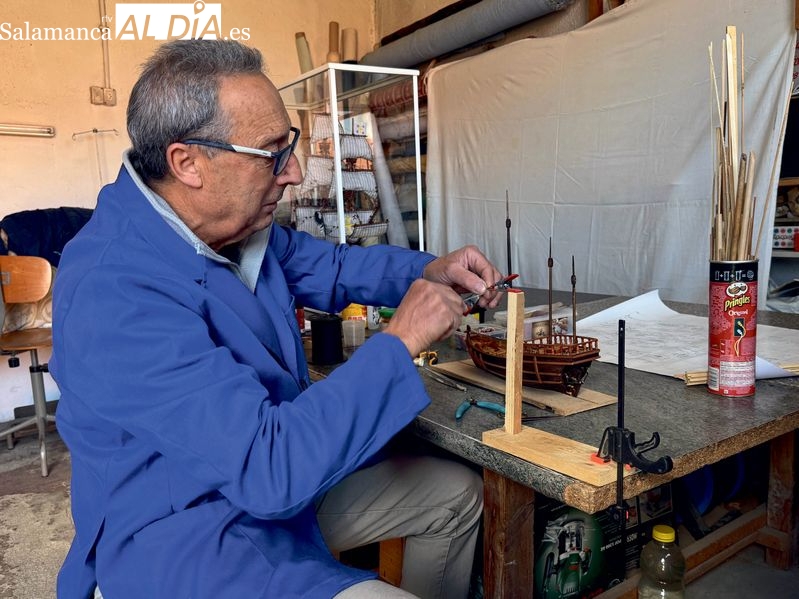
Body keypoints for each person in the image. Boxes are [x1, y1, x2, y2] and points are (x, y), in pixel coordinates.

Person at [52, 39, 504, 599]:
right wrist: (400, 338)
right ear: (187, 162)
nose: (292, 173)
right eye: (271, 153)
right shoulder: (113, 288)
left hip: (271, 491)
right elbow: (268, 470)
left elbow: (336, 267)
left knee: (455, 494)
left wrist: (431, 270)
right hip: (185, 535)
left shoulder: (237, 231)